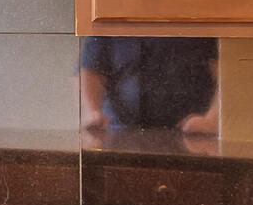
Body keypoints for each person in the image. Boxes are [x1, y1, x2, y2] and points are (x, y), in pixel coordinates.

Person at [78, 36, 219, 143]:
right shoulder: (109, 17)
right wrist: (92, 111)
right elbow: (91, 70)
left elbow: (224, 75)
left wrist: (211, 120)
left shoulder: (195, 19)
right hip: (119, 136)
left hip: (188, 138)